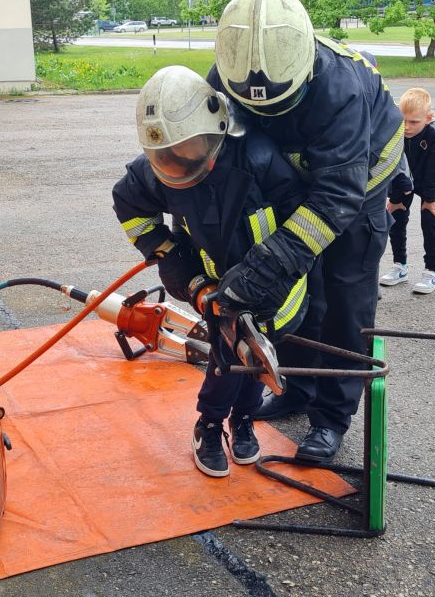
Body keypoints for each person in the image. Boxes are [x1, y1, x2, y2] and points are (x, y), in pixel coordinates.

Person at [205, 0, 404, 463]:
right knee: (298, 295)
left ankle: (332, 418)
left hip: (359, 188)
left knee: (343, 300)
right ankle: (295, 387)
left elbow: (337, 196)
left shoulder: (342, 89)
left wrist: (271, 260)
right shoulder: (225, 72)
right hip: (295, 182)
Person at [111, 65, 309, 477]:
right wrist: (178, 266)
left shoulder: (258, 158)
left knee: (257, 355)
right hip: (216, 283)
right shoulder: (158, 169)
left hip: (273, 282)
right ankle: (210, 423)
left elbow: (301, 223)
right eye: (168, 155)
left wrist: (273, 273)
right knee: (225, 356)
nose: (180, 162)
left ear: (216, 126)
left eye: (189, 148)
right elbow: (131, 210)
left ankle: (242, 420)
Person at [379, 88, 435, 295]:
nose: (407, 127)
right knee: (396, 216)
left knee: (431, 218)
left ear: (428, 117)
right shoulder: (396, 130)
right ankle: (400, 265)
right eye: (403, 121)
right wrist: (396, 196)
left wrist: (430, 198)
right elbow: (392, 162)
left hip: (429, 183)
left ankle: (431, 271)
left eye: (414, 122)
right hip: (403, 179)